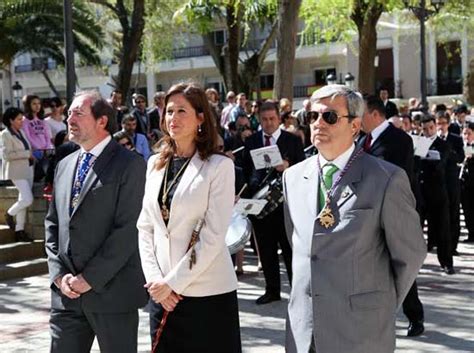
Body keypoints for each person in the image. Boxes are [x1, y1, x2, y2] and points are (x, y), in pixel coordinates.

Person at [283, 85, 426, 353]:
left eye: (329, 117)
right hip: (305, 330)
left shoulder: (386, 179)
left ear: (355, 126)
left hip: (361, 331)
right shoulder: (292, 177)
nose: (318, 123)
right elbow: (300, 244)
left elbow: (411, 253)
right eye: (312, 117)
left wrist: (378, 303)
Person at [137, 82, 241, 353]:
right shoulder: (154, 163)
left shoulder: (220, 166)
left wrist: (173, 283)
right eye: (169, 111)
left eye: (182, 111)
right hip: (162, 296)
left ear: (200, 118)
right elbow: (145, 227)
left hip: (206, 295)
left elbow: (213, 236)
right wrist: (156, 282)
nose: (173, 118)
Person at [44, 90, 147, 352]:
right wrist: (59, 276)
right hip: (67, 298)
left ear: (102, 121)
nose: (70, 119)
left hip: (112, 295)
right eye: (69, 114)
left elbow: (128, 230)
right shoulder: (64, 165)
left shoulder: (130, 164)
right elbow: (53, 224)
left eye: (78, 113)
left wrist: (89, 278)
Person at [360, 95, 425, 337]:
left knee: (401, 264)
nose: (357, 117)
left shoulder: (399, 140)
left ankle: (414, 315)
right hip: (369, 214)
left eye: (361, 112)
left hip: (395, 213)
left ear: (375, 114)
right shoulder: (362, 141)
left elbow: (396, 175)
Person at [243, 101, 305, 305]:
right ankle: (272, 290)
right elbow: (245, 171)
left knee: (289, 250)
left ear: (279, 119)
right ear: (259, 120)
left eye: (272, 119)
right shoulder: (252, 141)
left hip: (285, 205)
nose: (268, 123)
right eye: (264, 119)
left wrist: (288, 166)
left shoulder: (292, 141)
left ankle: (298, 291)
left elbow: (304, 169)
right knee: (266, 249)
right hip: (260, 206)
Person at [419, 116, 455, 274]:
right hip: (420, 193)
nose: (428, 131)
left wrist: (425, 158)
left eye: (430, 128)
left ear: (435, 127)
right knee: (416, 230)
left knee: (442, 229)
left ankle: (447, 262)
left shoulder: (443, 144)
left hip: (437, 193)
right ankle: (416, 262)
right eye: (425, 129)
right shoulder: (417, 142)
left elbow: (440, 165)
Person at [1, 107, 35, 242]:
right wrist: (27, 154)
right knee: (27, 199)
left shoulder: (21, 131)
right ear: (11, 120)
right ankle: (9, 214)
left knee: (23, 200)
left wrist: (31, 154)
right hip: (16, 171)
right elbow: (7, 155)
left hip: (28, 169)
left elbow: (27, 147)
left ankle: (19, 230)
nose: (22, 121)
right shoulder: (5, 134)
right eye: (19, 119)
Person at [436, 111, 465, 255]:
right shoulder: (433, 139)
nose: (440, 126)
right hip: (437, 181)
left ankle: (453, 245)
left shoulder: (456, 139)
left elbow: (461, 157)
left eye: (443, 123)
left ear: (448, 124)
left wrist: (449, 152)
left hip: (452, 180)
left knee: (453, 213)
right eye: (438, 123)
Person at [21, 94, 53, 180]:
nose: (37, 106)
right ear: (28, 105)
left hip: (46, 151)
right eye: (34, 104)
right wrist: (38, 148)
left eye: (39, 103)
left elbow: (47, 136)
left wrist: (47, 147)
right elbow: (27, 137)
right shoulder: (25, 121)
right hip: (35, 151)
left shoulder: (43, 120)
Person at [461, 123, 474, 243]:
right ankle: (471, 233)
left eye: (469, 133)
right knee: (467, 209)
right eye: (464, 133)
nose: (466, 136)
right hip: (464, 183)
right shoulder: (461, 146)